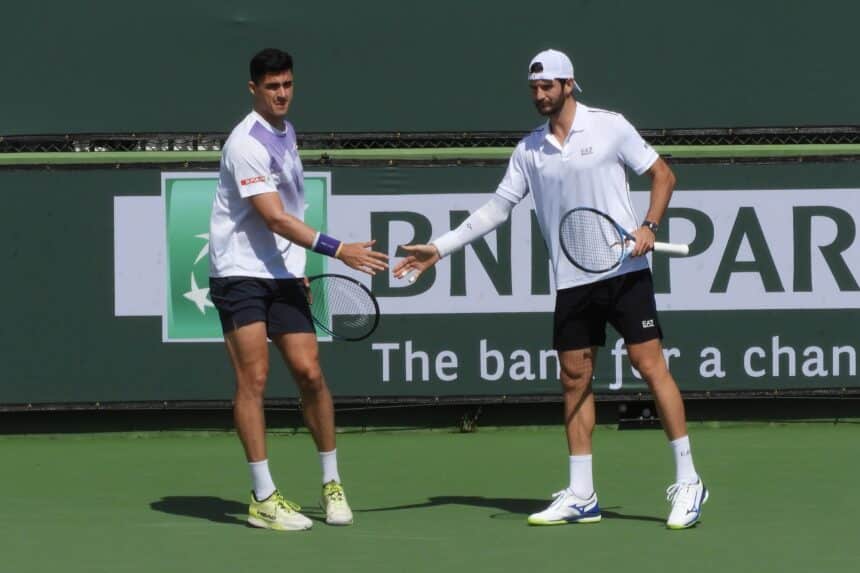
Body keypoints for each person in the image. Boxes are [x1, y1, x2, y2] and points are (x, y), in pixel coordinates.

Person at [394, 49, 707, 529]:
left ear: (568, 84)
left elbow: (663, 175)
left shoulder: (609, 126)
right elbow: (496, 210)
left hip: (625, 272)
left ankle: (688, 481)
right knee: (574, 378)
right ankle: (582, 494)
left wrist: (649, 224)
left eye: (547, 86)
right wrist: (440, 248)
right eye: (534, 88)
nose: (539, 95)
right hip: (573, 279)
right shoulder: (529, 150)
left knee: (649, 366)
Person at [209, 48, 389, 531]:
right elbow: (273, 217)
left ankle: (332, 484)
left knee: (310, 372)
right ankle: (263, 497)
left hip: (283, 274)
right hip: (239, 274)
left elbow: (290, 213)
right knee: (255, 379)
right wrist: (338, 250)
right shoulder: (245, 143)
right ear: (254, 89)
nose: (282, 94)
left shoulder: (286, 132)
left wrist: (296, 265)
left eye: (287, 84)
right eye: (272, 86)